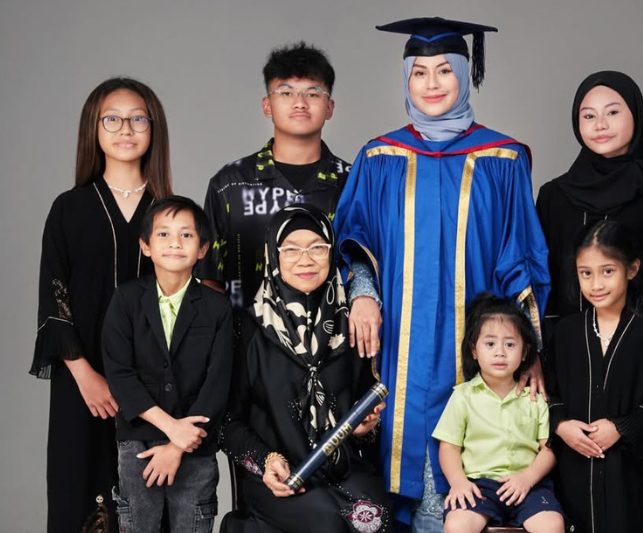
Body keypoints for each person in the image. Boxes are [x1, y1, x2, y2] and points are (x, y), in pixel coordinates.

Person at [334, 17, 550, 530]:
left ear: (464, 75)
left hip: (477, 346)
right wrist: (362, 294)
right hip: (398, 346)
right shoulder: (380, 157)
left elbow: (521, 257)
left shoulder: (502, 158)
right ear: (406, 80)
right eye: (419, 73)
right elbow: (355, 239)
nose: (431, 84)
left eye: (444, 71)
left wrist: (530, 351)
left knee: (468, 484)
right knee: (392, 470)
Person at [31, 77, 172, 533]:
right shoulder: (69, 208)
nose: (125, 129)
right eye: (112, 119)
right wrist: (84, 375)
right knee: (81, 493)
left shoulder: (169, 213)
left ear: (153, 128)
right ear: (93, 128)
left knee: (150, 501)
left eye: (138, 119)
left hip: (155, 386)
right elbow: (54, 299)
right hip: (83, 382)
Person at [219, 204, 391, 533]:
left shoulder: (350, 324)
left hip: (341, 468)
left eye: (317, 248)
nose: (306, 259)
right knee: (327, 524)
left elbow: (364, 412)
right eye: (291, 250)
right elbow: (227, 423)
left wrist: (367, 427)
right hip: (279, 474)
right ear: (274, 256)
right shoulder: (250, 328)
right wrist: (267, 461)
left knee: (376, 518)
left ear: (331, 253)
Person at [101, 196, 233, 532]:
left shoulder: (218, 307)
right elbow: (120, 374)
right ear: (145, 245)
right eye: (163, 234)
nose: (175, 242)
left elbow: (218, 383)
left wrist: (178, 444)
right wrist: (170, 428)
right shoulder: (126, 299)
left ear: (203, 249)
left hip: (195, 443)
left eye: (186, 235)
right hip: (138, 442)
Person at [547, 220, 643, 533]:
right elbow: (548, 394)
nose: (596, 284)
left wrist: (621, 427)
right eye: (586, 273)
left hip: (627, 471)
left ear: (632, 269)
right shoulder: (564, 333)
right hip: (572, 465)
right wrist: (561, 426)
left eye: (607, 271)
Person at [197, 42, 350, 310]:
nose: (300, 103)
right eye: (286, 92)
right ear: (267, 106)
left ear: (329, 107)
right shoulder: (230, 184)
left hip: (335, 334)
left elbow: (366, 268)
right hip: (244, 333)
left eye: (313, 93)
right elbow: (210, 280)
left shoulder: (353, 182)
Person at [536, 70, 643, 325]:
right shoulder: (554, 196)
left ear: (636, 114)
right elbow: (545, 282)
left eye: (612, 112)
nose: (600, 125)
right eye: (589, 116)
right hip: (566, 343)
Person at [433, 294, 565, 533]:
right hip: (479, 485)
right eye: (490, 344)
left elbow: (548, 448)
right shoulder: (463, 396)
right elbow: (449, 447)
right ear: (474, 350)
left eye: (510, 345)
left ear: (525, 352)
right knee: (457, 525)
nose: (500, 353)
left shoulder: (534, 398)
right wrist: (458, 482)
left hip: (528, 485)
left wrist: (528, 478)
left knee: (552, 525)